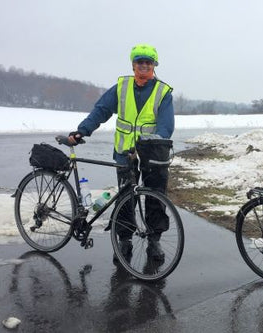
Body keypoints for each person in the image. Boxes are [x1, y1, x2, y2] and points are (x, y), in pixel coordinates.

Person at [68, 43, 174, 262]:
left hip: (152, 152)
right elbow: (102, 110)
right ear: (133, 64)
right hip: (125, 152)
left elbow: (166, 125)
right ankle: (124, 239)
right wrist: (82, 131)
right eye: (139, 62)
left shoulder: (163, 92)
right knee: (126, 196)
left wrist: (153, 140)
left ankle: (154, 241)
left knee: (155, 195)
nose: (143, 65)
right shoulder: (122, 87)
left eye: (148, 62)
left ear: (154, 65)